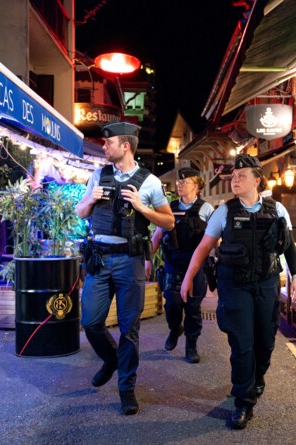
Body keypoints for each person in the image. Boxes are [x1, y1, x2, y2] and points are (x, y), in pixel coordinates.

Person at [180, 154, 296, 430]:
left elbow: (289, 248)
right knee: (242, 344)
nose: (235, 180)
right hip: (234, 286)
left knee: (266, 343)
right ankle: (243, 403)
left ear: (257, 180)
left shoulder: (277, 210)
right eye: (233, 176)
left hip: (267, 284)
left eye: (241, 176)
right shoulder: (224, 211)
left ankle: (257, 378)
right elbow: (203, 248)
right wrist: (188, 278)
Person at [75, 120, 175, 415]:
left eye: (109, 143)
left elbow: (169, 222)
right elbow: (81, 212)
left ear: (125, 146)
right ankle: (112, 359)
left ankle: (126, 389)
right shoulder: (98, 175)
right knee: (91, 322)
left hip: (130, 260)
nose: (104, 147)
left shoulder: (150, 182)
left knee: (129, 329)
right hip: (100, 259)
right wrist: (90, 201)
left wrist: (143, 209)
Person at [147, 167, 214, 363]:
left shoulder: (206, 209)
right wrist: (147, 259)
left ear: (196, 185)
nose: (180, 184)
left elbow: (214, 238)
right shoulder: (169, 207)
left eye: (184, 182)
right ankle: (175, 328)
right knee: (172, 304)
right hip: (173, 265)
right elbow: (157, 236)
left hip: (196, 267)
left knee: (193, 308)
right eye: (179, 182)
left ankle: (191, 346)